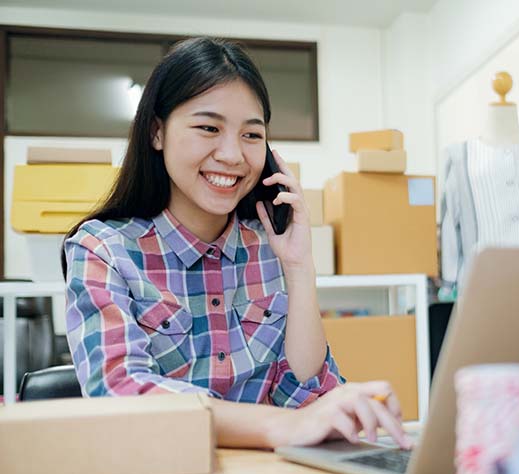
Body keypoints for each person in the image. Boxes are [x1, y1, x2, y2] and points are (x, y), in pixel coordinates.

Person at [61, 37, 410, 450]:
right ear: (157, 132)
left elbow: (308, 392)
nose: (232, 155)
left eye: (251, 134)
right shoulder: (103, 250)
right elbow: (120, 394)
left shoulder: (269, 247)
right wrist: (275, 426)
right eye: (209, 127)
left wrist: (300, 269)